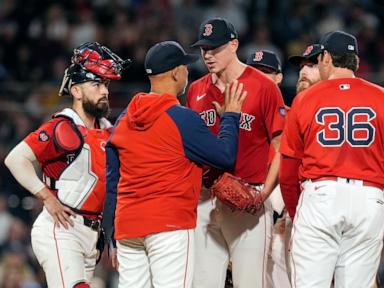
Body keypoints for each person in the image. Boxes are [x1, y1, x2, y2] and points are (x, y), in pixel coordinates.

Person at [104, 40, 247, 288]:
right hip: (168, 224)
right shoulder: (181, 118)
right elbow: (225, 156)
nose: (187, 72)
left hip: (128, 227)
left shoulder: (124, 118)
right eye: (184, 66)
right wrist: (231, 117)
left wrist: (112, 235)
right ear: (174, 72)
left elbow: (112, 181)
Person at [4, 42, 130, 288]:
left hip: (93, 236)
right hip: (61, 230)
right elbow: (15, 159)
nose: (104, 91)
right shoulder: (62, 127)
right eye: (97, 84)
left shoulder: (110, 132)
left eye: (106, 84)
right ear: (76, 91)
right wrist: (46, 198)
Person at [280, 30, 384, 287]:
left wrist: (297, 211)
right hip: (370, 200)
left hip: (321, 197)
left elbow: (287, 171)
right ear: (357, 63)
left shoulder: (305, 99)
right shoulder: (381, 96)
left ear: (325, 57)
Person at [187, 18, 286, 287]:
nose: (207, 55)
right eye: (203, 48)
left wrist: (264, 193)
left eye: (214, 48)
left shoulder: (264, 87)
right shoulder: (195, 90)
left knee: (250, 282)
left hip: (249, 200)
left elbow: (281, 148)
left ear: (234, 45)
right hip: (206, 200)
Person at [247, 49, 291, 288]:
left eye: (266, 72)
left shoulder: (294, 117)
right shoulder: (234, 118)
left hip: (283, 219)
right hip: (246, 210)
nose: (260, 77)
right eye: (254, 72)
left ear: (279, 78)